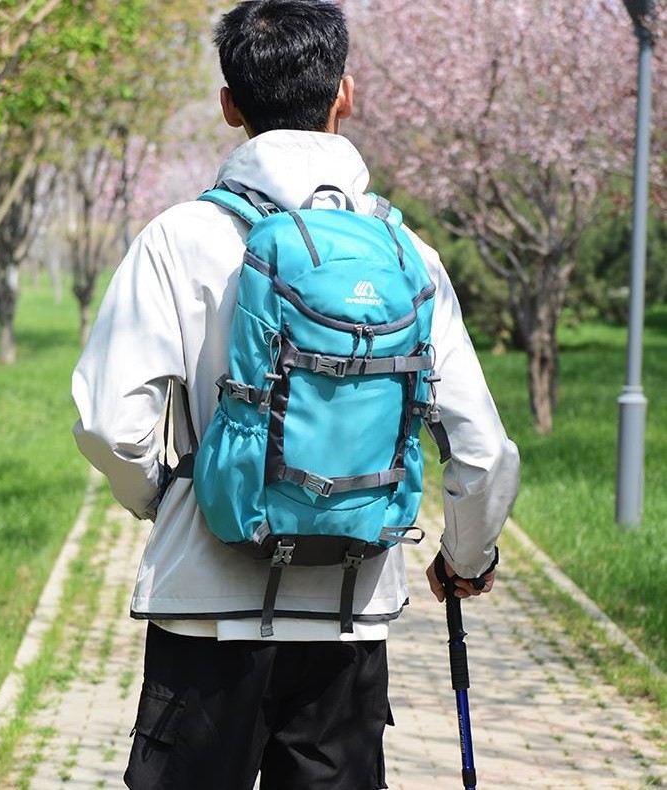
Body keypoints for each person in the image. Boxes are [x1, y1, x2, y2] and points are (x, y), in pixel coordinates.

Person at [71, 1, 520, 788]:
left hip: (205, 612)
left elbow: (109, 425)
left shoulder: (177, 239)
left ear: (229, 104)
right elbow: (480, 449)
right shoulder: (407, 254)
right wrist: (464, 559)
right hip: (350, 613)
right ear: (345, 93)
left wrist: (169, 498)